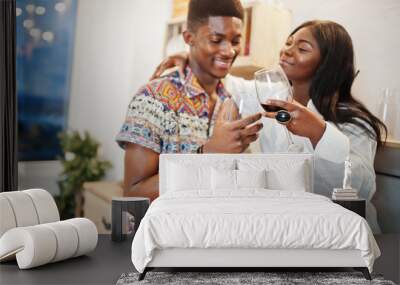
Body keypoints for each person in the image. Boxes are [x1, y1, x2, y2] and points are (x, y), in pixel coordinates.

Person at [152, 20, 387, 233]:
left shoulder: (356, 123)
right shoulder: (270, 98)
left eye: (302, 48)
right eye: (288, 43)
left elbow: (358, 188)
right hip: (290, 230)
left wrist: (319, 133)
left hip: (343, 232)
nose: (287, 50)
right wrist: (193, 58)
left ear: (329, 64)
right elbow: (228, 82)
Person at [116, 0, 263, 202]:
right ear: (188, 37)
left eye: (235, 41)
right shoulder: (153, 98)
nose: (229, 51)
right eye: (215, 39)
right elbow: (133, 194)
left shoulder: (230, 100)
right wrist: (206, 155)